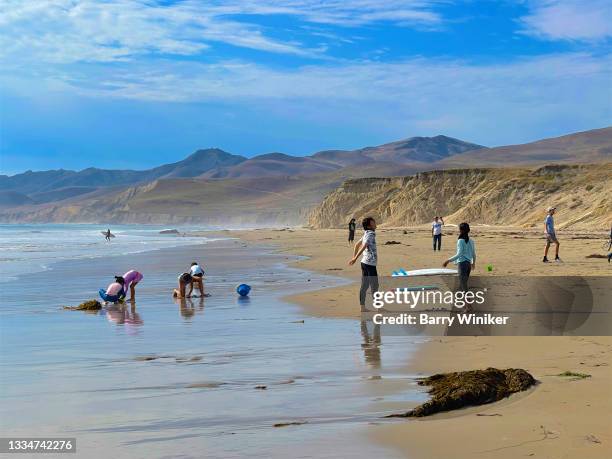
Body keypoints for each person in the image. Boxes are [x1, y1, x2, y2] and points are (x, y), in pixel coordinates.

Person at [349, 217, 378, 310]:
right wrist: (355, 258)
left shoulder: (366, 233)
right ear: (369, 225)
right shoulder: (371, 234)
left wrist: (354, 257)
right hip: (370, 264)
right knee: (375, 285)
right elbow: (363, 246)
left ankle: (363, 307)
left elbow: (357, 245)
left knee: (365, 285)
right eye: (373, 222)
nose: (375, 222)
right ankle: (378, 308)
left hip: (364, 263)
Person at [443, 222, 476, 292]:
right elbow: (473, 254)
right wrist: (473, 264)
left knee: (463, 284)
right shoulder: (471, 241)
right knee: (462, 284)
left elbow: (459, 254)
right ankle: (462, 300)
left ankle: (468, 300)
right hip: (468, 265)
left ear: (461, 230)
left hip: (462, 264)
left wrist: (448, 261)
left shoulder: (460, 241)